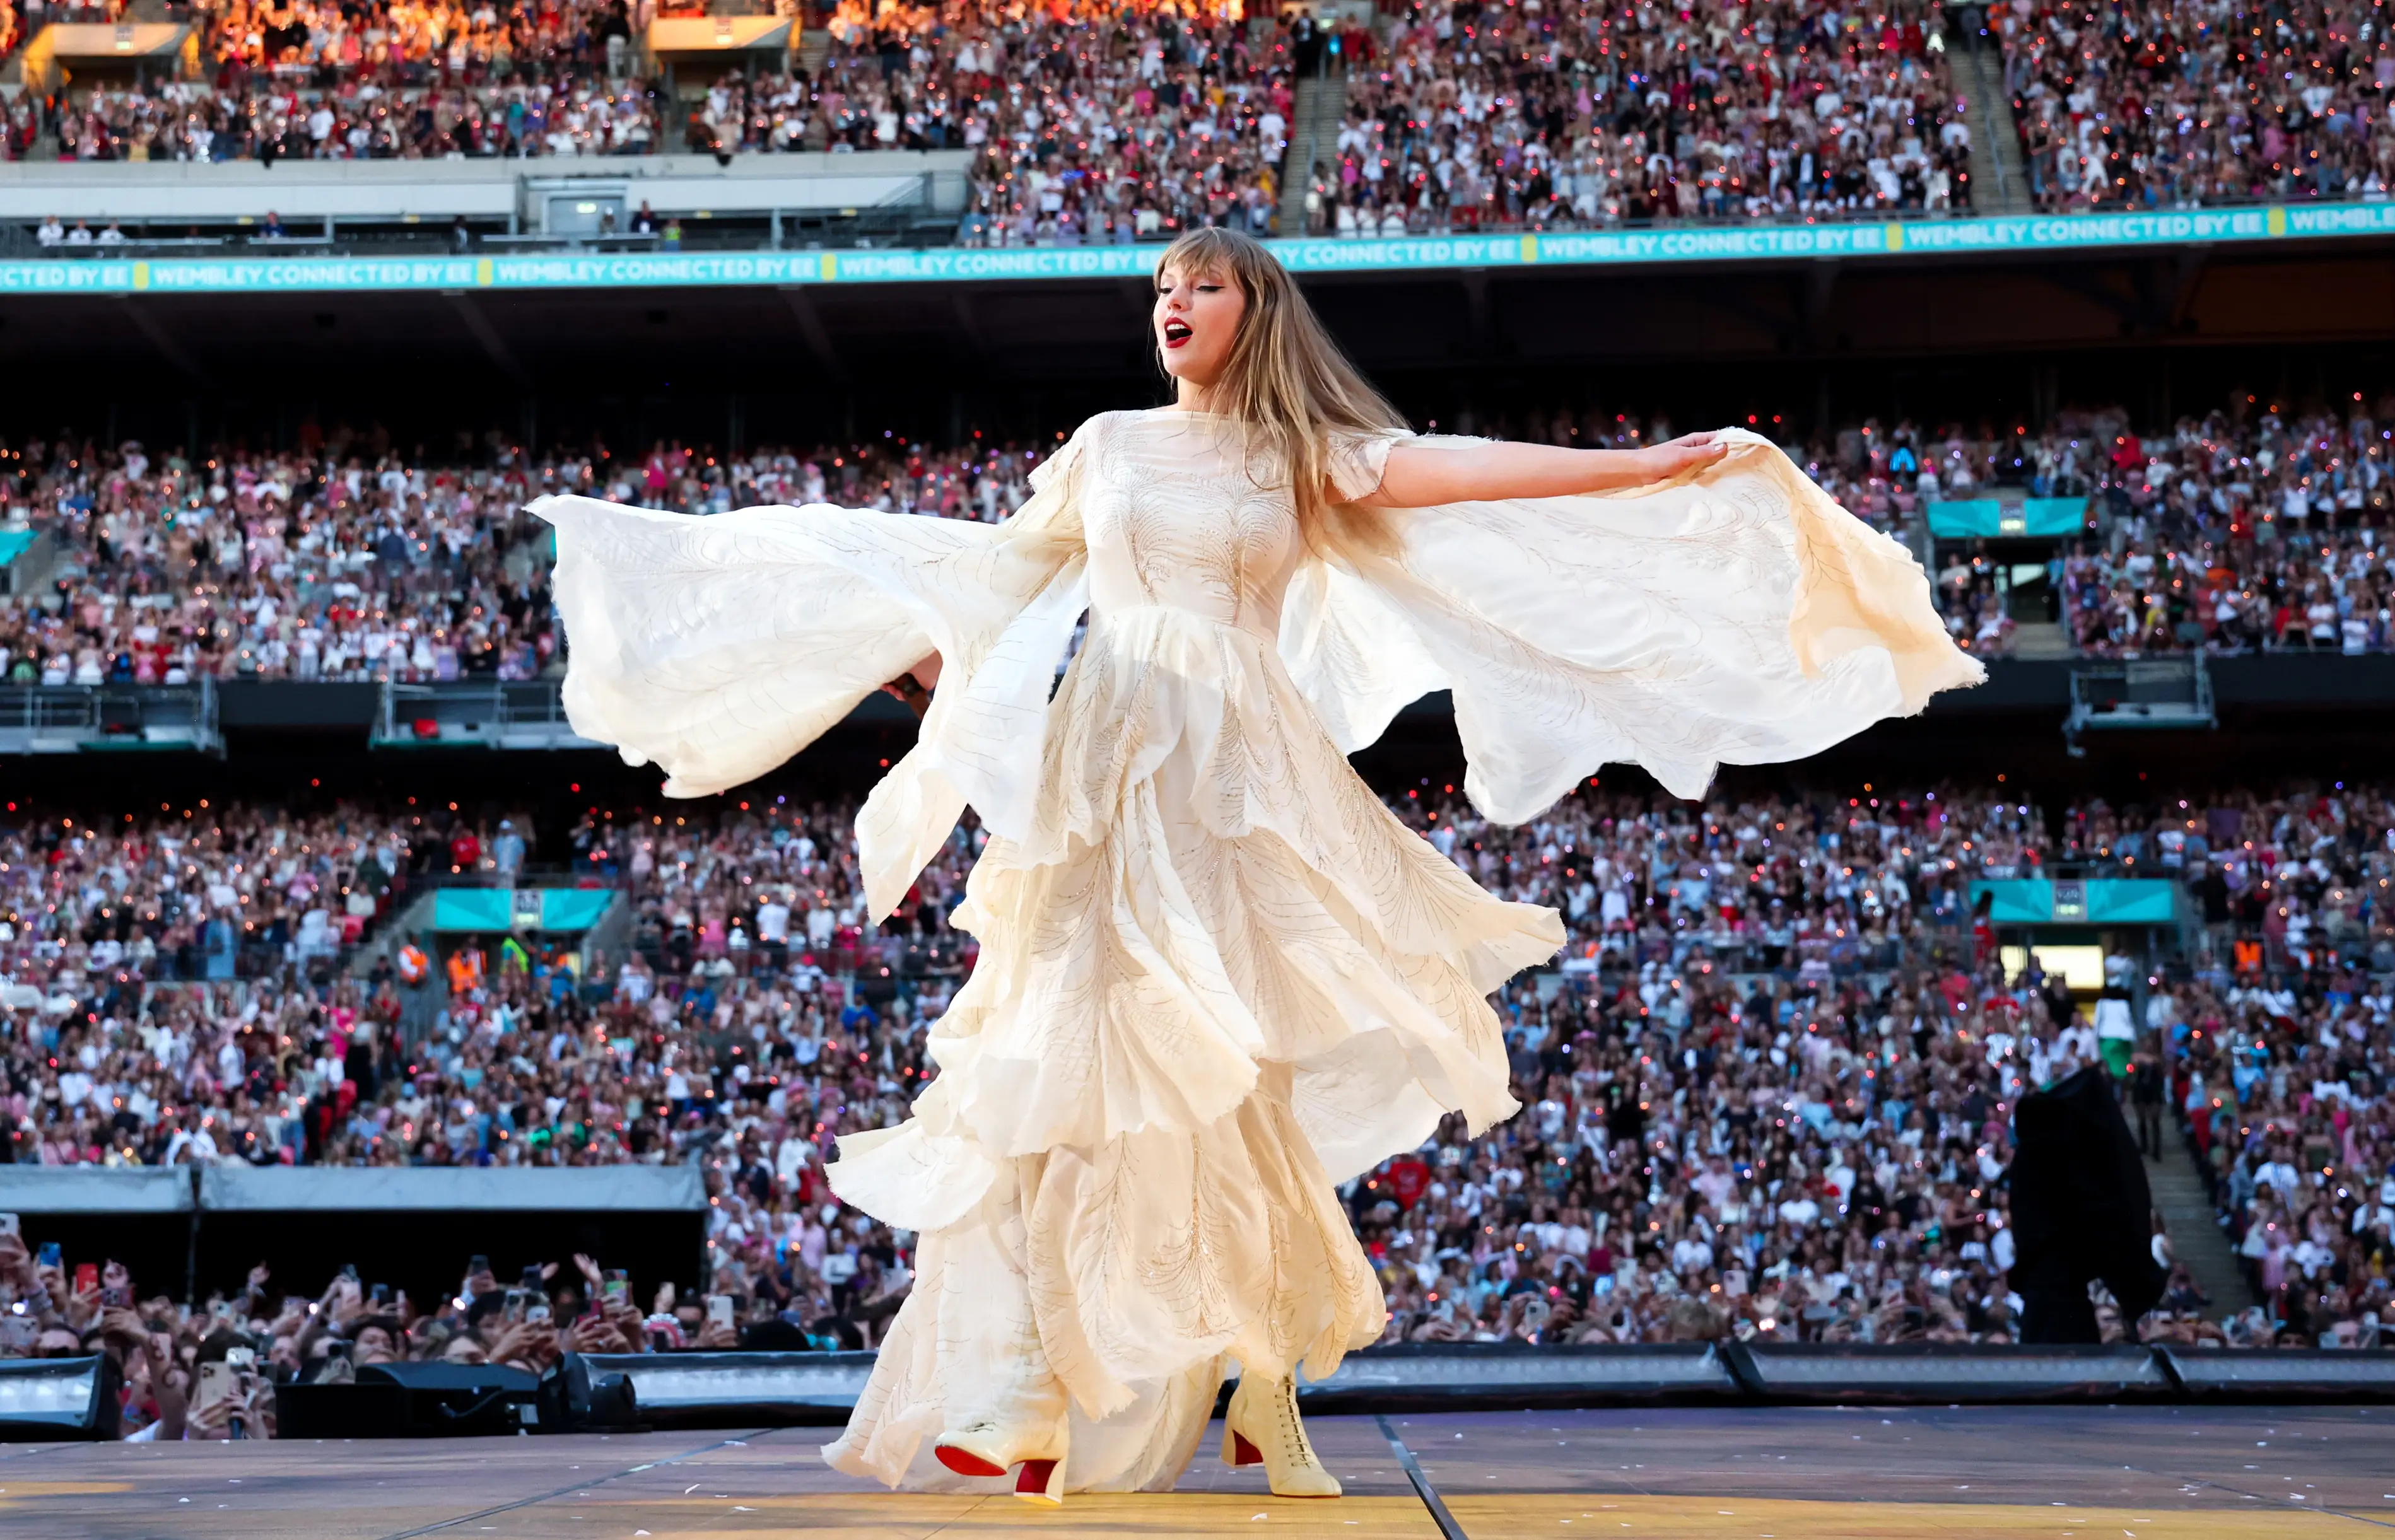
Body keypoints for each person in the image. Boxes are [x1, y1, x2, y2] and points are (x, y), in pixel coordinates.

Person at [535, 226, 1979, 1503]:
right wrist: (904, 654)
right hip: (1113, 766)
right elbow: (999, 577)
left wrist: (1645, 464)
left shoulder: (1303, 454)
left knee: (1245, 1084)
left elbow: (1460, 470)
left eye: (1203, 285)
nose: (1171, 302)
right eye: (1161, 286)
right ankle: (1041, 1380)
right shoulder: (1106, 445)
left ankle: (1266, 1385)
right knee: (1065, 1057)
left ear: (1256, 308)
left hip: (1247, 778)